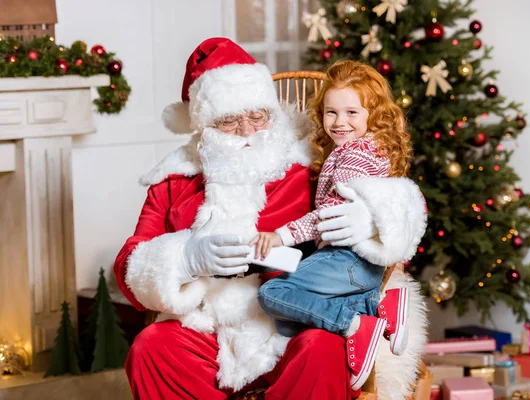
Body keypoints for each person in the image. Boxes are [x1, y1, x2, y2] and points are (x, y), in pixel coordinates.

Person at [114, 37, 427, 400]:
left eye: (257, 116)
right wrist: (183, 261)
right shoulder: (173, 179)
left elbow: (395, 191)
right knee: (151, 348)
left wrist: (374, 218)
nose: (248, 131)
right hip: (208, 326)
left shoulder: (309, 160)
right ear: (203, 125)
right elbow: (129, 261)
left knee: (322, 349)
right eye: (229, 120)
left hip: (295, 321)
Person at [254, 60, 416, 391]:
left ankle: (355, 323)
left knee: (274, 292)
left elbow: (328, 217)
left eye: (351, 113)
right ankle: (377, 306)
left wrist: (280, 236)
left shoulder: (353, 156)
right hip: (363, 266)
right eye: (331, 113)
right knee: (289, 323)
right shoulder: (371, 148)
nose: (339, 122)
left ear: (374, 114)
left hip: (348, 259)